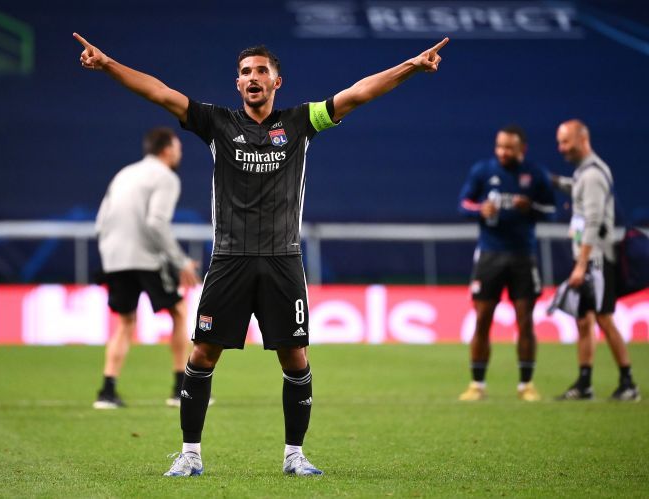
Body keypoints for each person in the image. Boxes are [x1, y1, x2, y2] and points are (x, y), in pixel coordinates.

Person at [74, 31, 449, 477]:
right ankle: (190, 453)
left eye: (261, 72)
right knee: (202, 356)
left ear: (277, 82)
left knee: (295, 358)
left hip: (282, 260)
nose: (254, 78)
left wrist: (410, 64)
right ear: (238, 84)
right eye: (247, 73)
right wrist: (109, 63)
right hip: (229, 260)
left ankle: (295, 455)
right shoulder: (215, 123)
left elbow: (358, 93)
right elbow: (158, 92)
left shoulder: (301, 122)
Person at [93, 127, 200, 409]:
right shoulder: (165, 177)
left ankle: (107, 391)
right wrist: (180, 261)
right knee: (178, 311)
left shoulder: (124, 173)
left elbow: (101, 220)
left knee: (125, 322)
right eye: (177, 147)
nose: (180, 153)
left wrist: (110, 256)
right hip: (145, 257)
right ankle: (181, 389)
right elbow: (155, 222)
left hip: (114, 257)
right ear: (166, 150)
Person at [457, 125, 556, 402]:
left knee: (525, 321)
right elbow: (462, 204)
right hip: (490, 255)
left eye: (509, 147)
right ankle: (477, 384)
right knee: (482, 320)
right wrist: (480, 210)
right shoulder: (482, 171)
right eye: (499, 146)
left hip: (523, 255)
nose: (503, 152)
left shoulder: (535, 174)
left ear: (521, 149)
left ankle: (526, 385)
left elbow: (551, 211)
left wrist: (531, 208)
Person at [552, 119, 640, 401]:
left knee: (604, 318)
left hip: (597, 260)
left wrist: (582, 264)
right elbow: (578, 190)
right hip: (590, 259)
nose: (561, 148)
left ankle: (628, 383)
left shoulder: (592, 175)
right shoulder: (585, 174)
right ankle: (585, 382)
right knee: (584, 320)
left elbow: (592, 220)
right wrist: (554, 182)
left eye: (566, 141)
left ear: (582, 139)